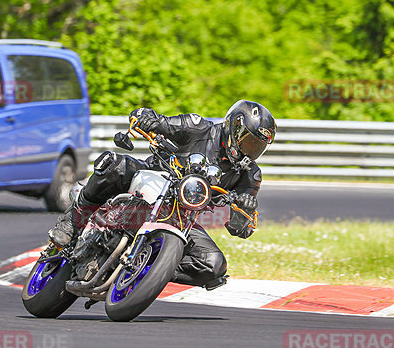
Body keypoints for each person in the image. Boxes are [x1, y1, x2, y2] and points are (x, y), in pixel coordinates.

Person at [47, 100, 276, 290]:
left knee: (213, 266)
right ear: (233, 126)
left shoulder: (250, 174)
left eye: (257, 146)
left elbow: (242, 229)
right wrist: (147, 118)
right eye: (247, 140)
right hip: (151, 178)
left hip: (181, 217)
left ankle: (146, 271)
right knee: (113, 164)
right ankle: (72, 220)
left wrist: (245, 209)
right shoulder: (199, 128)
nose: (250, 149)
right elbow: (164, 123)